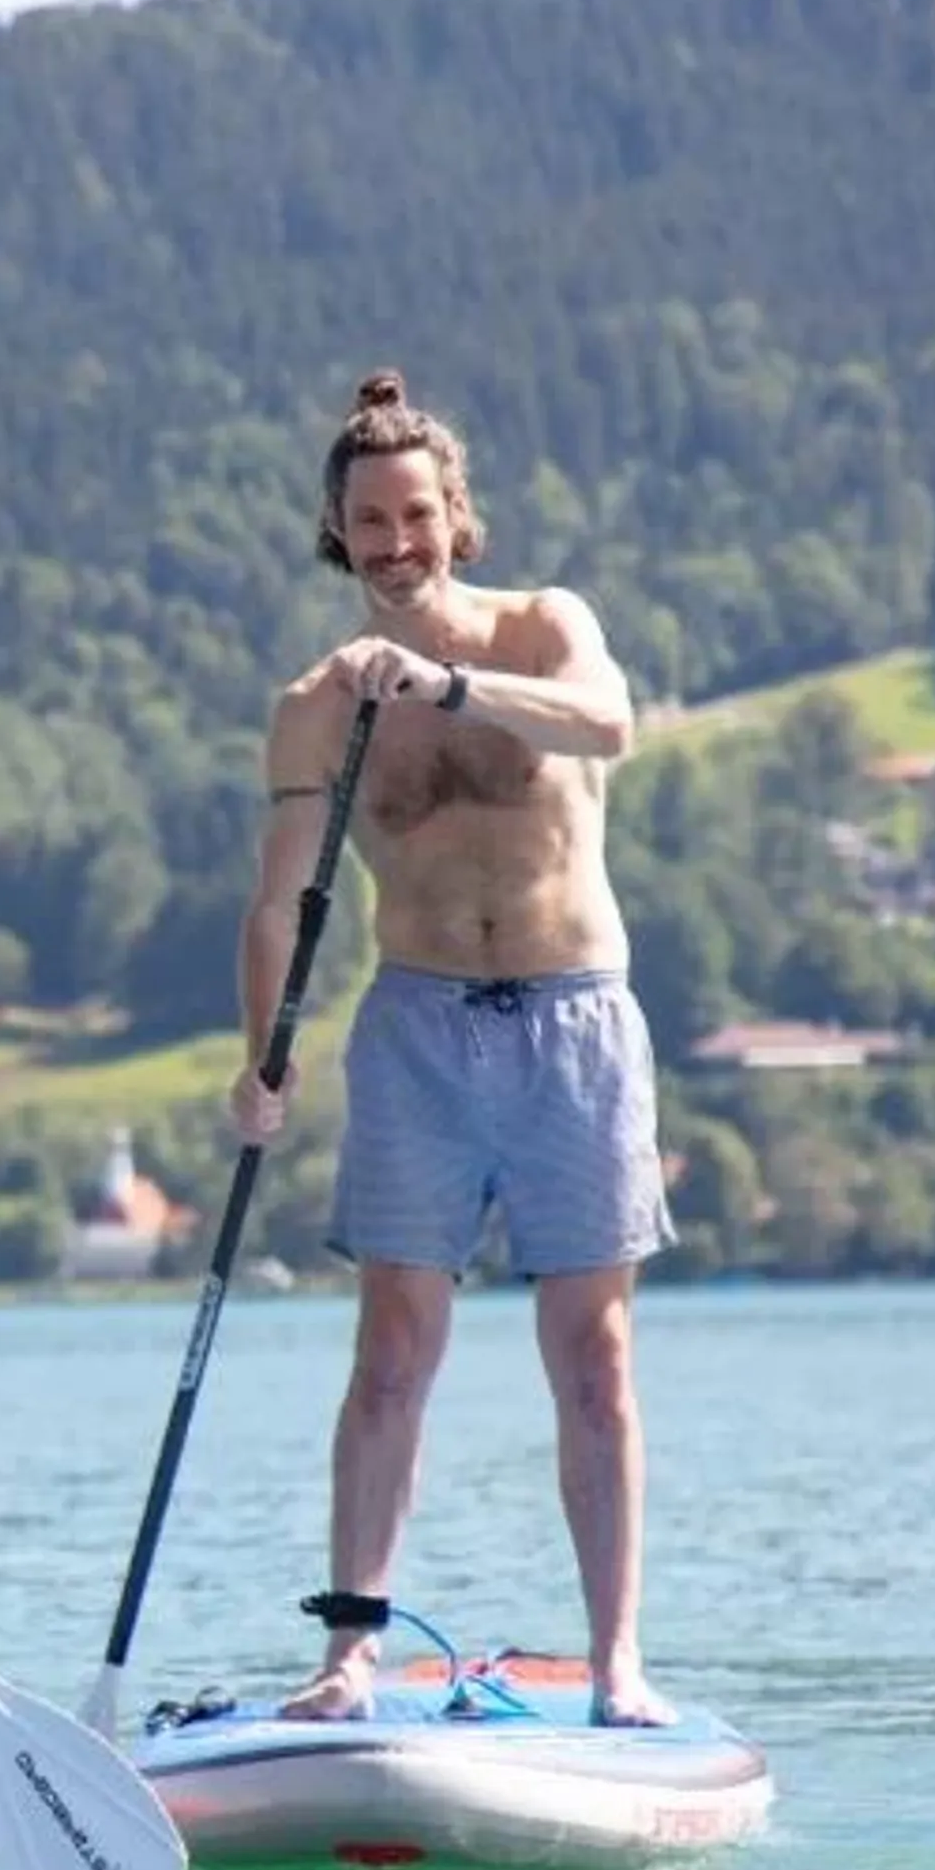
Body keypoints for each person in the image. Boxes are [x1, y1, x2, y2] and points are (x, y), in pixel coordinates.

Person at [225, 369, 679, 1730]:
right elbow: (276, 895)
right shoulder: (320, 706)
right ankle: (349, 1656)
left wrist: (453, 685)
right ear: (338, 530)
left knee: (592, 1356)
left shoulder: (544, 628)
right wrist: (262, 1061)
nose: (394, 542)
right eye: (368, 520)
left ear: (454, 515)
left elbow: (613, 723)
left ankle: (616, 1668)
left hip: (574, 1019)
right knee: (390, 1354)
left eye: (414, 513)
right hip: (416, 1029)